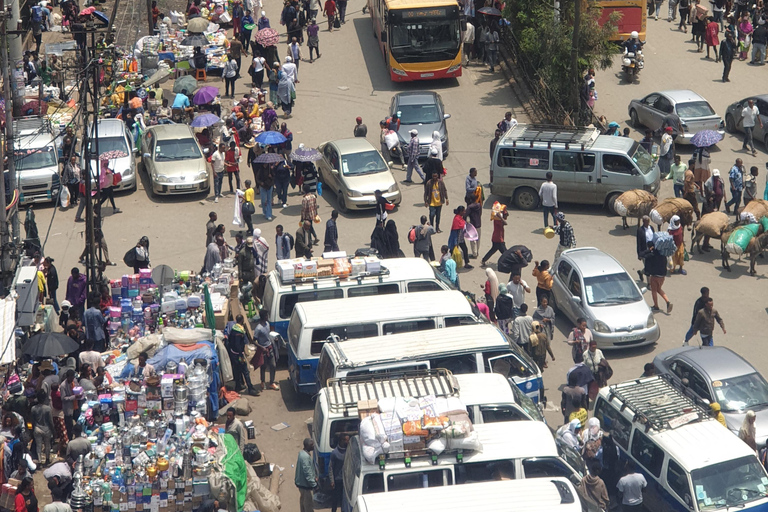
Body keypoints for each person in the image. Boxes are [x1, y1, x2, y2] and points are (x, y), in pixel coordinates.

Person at [226, 315, 259, 396]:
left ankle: (238, 387)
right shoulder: (239, 332)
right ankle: (250, 389)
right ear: (242, 320)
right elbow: (238, 345)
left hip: (233, 354)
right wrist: (241, 355)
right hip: (238, 355)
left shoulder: (233, 329)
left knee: (237, 371)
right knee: (245, 372)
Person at [640, 241, 673, 313]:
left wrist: (649, 250)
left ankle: (656, 306)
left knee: (654, 291)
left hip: (655, 276)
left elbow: (641, 254)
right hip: (662, 276)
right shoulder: (662, 254)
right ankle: (667, 302)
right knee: (659, 289)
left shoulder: (651, 255)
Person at [254, 310, 279, 390]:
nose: (267, 317)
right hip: (263, 350)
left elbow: (268, 335)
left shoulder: (267, 324)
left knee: (273, 365)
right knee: (263, 367)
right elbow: (253, 341)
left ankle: (271, 382)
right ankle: (263, 382)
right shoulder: (258, 328)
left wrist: (273, 339)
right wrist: (262, 347)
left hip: (270, 348)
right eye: (267, 316)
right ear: (264, 317)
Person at [30, 390, 53, 465]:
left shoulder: (33, 408)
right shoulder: (48, 408)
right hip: (46, 428)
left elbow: (32, 421)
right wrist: (54, 431)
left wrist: (32, 430)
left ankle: (39, 461)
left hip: (37, 428)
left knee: (38, 446)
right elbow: (50, 421)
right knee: (47, 445)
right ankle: (47, 459)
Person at [295, 439, 318, 512]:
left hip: (300, 483)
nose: (314, 446)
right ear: (308, 446)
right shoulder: (305, 457)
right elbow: (307, 473)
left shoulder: (301, 453)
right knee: (308, 505)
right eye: (312, 445)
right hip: (306, 485)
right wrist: (314, 484)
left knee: (303, 501)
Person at [328, 434, 348, 512]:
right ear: (341, 441)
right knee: (335, 499)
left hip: (346, 480)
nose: (348, 442)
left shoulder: (349, 450)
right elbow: (330, 467)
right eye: (346, 440)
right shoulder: (335, 453)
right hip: (338, 480)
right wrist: (332, 480)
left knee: (344, 500)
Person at [635, 215, 654, 282]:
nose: (648, 222)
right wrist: (639, 254)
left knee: (651, 266)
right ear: (643, 221)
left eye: (648, 221)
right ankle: (649, 283)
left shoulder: (651, 228)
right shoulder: (640, 230)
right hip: (645, 250)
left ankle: (641, 272)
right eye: (646, 221)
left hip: (652, 249)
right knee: (648, 267)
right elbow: (639, 242)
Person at [465, 193, 482, 258]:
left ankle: (474, 254)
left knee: (472, 240)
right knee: (478, 239)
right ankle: (477, 252)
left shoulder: (470, 207)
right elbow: (480, 214)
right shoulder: (479, 205)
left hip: (472, 225)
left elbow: (465, 214)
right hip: (478, 224)